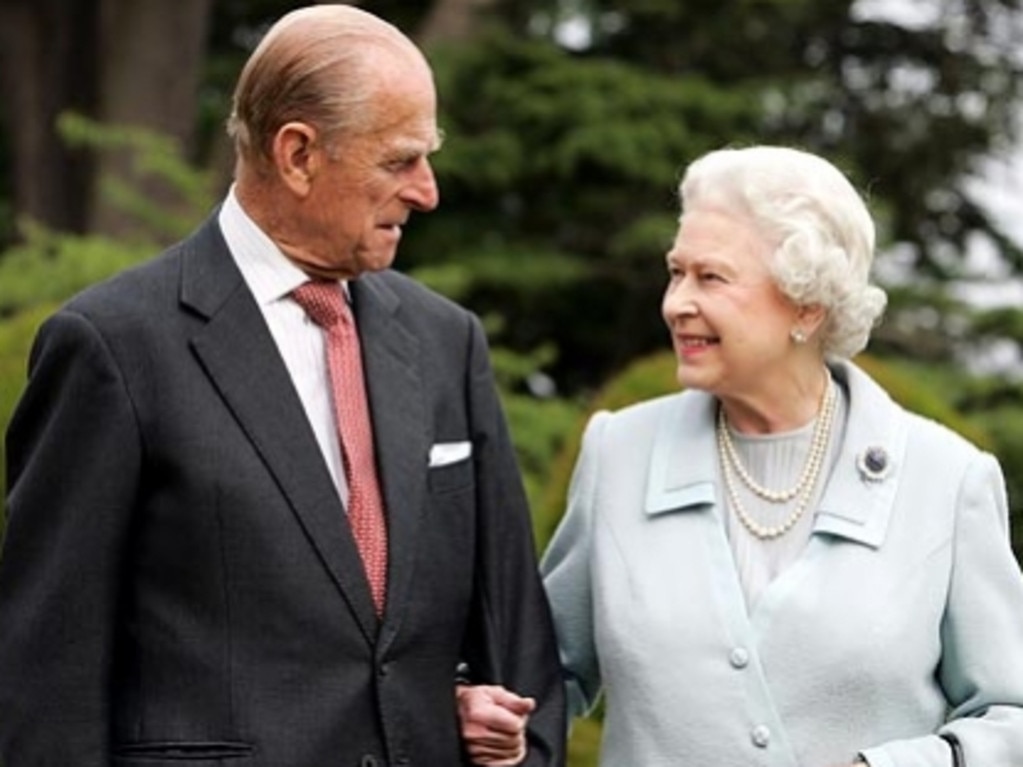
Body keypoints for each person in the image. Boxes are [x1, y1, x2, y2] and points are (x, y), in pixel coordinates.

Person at [0, 5, 565, 766]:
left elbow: (515, 641)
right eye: (400, 161)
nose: (427, 191)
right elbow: (44, 678)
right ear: (298, 154)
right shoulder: (112, 346)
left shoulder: (445, 341)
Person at [459, 145, 1023, 766]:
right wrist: (488, 714)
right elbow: (542, 677)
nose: (676, 303)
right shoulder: (618, 452)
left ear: (806, 305)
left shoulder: (947, 479)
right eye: (677, 272)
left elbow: (1009, 716)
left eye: (712, 278)